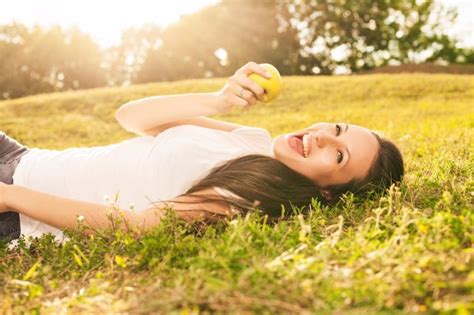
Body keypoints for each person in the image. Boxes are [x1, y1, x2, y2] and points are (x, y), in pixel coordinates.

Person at [0, 62, 404, 242]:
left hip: (15, 212)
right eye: (336, 129)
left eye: (338, 155)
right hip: (21, 158)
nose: (321, 137)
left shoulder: (251, 198)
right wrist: (220, 100)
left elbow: (137, 226)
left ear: (330, 192)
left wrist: (10, 197)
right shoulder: (252, 138)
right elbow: (133, 117)